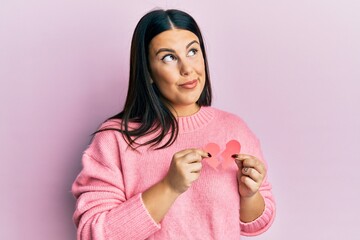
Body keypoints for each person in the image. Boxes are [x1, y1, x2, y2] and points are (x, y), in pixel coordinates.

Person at [72, 8, 276, 240]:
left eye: (192, 51)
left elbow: (256, 223)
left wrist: (250, 195)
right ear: (147, 71)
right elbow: (93, 233)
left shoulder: (234, 129)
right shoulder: (114, 140)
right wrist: (170, 187)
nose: (187, 68)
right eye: (168, 57)